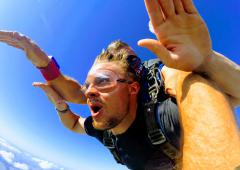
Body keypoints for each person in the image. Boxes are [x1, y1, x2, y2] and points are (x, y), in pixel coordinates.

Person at [0, 0, 239, 169]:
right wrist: (57, 96)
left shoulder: (164, 99)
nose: (90, 91)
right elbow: (74, 117)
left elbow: (212, 94)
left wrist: (205, 61)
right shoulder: (104, 128)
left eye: (103, 81)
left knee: (196, 83)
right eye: (89, 84)